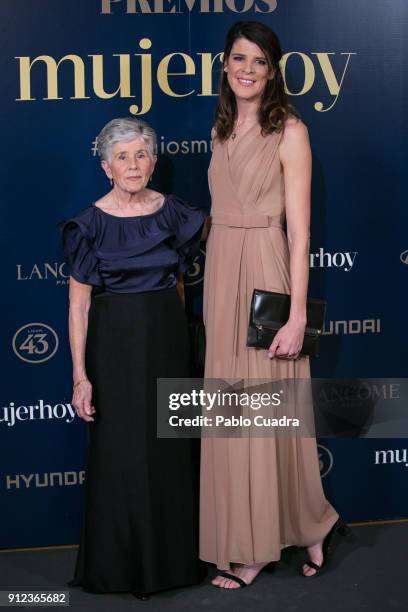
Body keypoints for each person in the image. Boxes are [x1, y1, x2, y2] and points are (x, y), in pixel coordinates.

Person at [200, 21, 343, 589]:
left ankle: (262, 545)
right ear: (225, 65)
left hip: (266, 267)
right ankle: (306, 526)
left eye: (259, 61)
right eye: (239, 59)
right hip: (221, 274)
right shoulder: (221, 127)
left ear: (273, 70)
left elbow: (301, 232)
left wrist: (298, 313)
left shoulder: (292, 131)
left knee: (269, 407)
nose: (248, 70)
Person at [61, 117, 206, 598]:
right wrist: (81, 376)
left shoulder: (174, 214)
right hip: (115, 348)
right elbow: (79, 306)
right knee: (120, 456)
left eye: (140, 154)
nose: (132, 164)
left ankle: (174, 564)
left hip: (167, 342)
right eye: (121, 156)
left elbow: (181, 285)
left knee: (170, 451)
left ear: (154, 161)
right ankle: (119, 569)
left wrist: (184, 349)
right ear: (106, 167)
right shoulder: (89, 223)